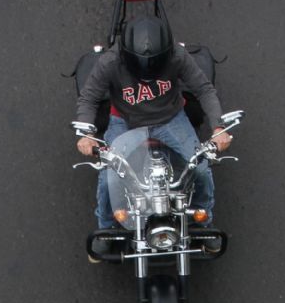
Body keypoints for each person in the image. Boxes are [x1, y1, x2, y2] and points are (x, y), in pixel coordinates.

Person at [75, 15, 232, 248]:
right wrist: (85, 134)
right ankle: (105, 226)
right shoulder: (110, 62)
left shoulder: (177, 56)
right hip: (125, 121)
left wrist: (218, 128)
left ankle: (203, 220)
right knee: (109, 179)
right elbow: (89, 98)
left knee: (200, 168)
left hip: (171, 118)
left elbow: (203, 89)